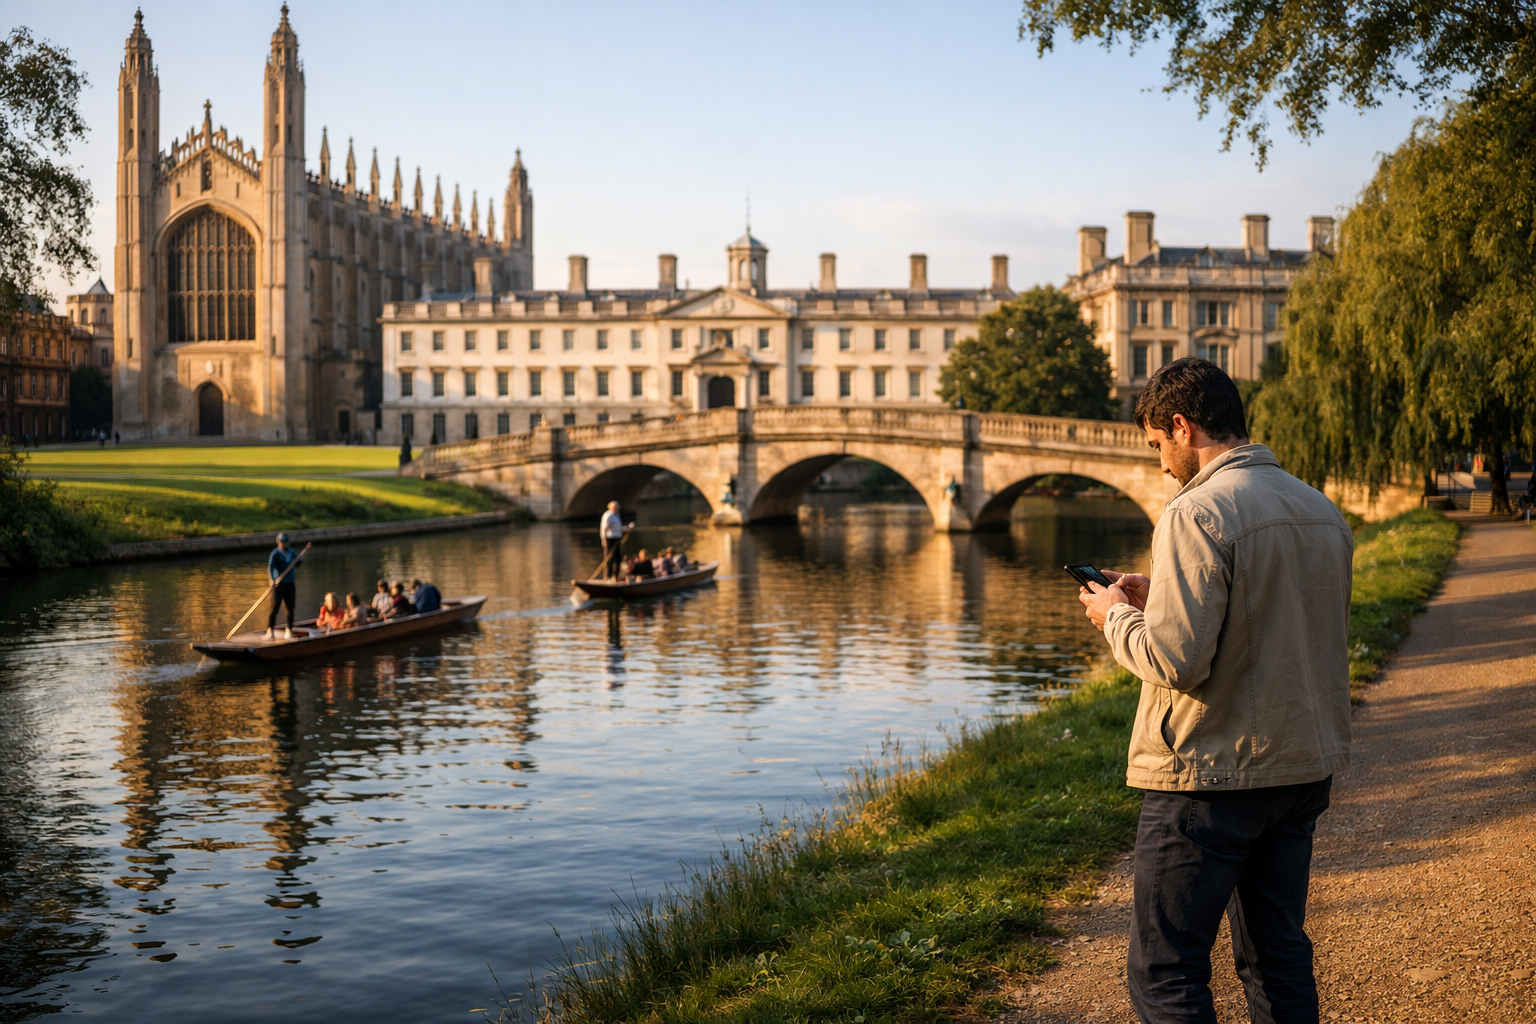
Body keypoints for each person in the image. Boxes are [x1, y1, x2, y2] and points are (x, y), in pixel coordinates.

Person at [1076, 358, 1354, 1024]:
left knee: (1166, 970)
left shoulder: (1196, 510)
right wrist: (1159, 596)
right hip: (1298, 767)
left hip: (1210, 778)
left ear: (1182, 424)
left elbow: (1176, 660)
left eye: (1158, 446)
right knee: (1277, 957)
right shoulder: (1320, 509)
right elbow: (1272, 623)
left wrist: (1113, 616)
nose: (1163, 465)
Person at [265, 532, 305, 639]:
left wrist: (300, 559)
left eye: (286, 542)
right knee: (274, 608)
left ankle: (289, 631)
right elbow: (270, 568)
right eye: (283, 542)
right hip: (278, 585)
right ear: (278, 542)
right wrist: (271, 580)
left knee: (290, 608)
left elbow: (297, 564)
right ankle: (270, 630)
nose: (285, 544)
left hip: (290, 584)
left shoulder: (291, 552)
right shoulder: (275, 554)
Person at [599, 500, 633, 579]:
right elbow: (603, 529)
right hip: (610, 539)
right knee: (610, 558)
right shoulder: (608, 516)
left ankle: (616, 575)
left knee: (618, 558)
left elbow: (618, 528)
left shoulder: (617, 515)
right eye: (615, 508)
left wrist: (627, 528)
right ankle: (609, 576)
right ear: (611, 508)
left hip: (617, 538)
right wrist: (603, 539)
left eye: (617, 508)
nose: (616, 509)